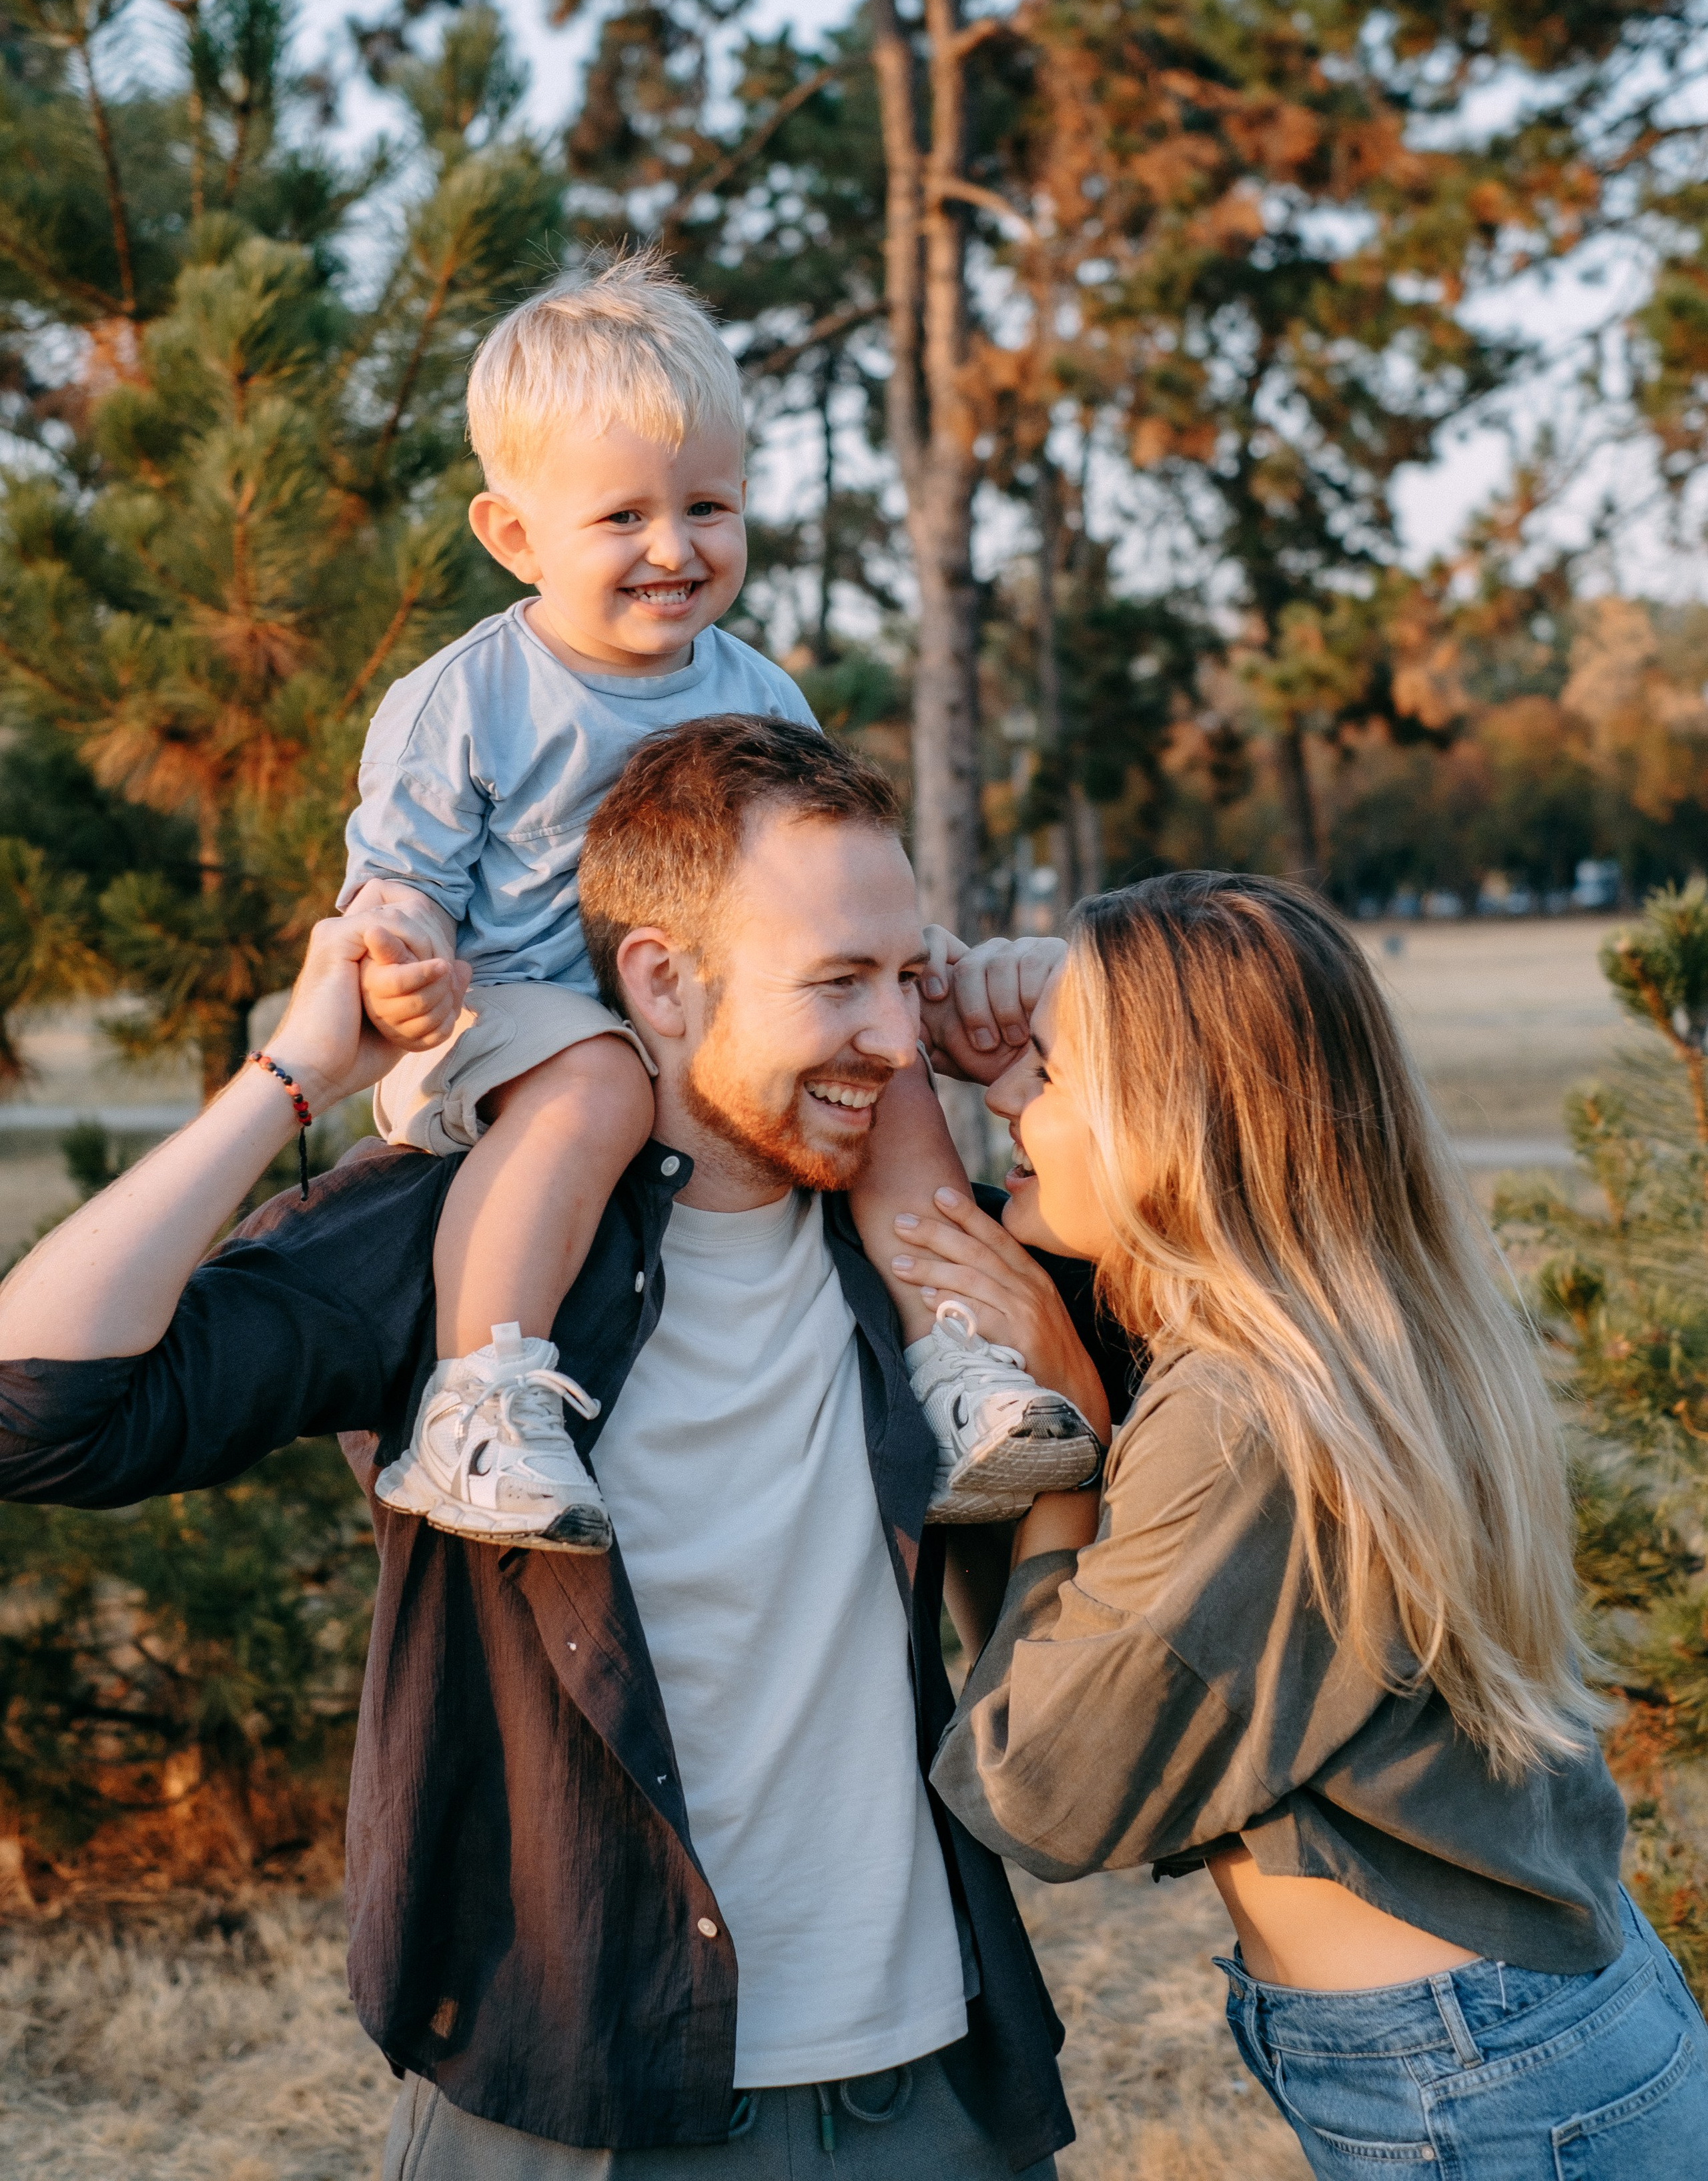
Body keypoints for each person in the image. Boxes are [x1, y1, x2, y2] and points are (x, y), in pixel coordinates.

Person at [0, 719, 1097, 2177]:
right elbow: (39, 1414)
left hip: (932, 2085)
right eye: (836, 983)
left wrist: (1044, 1073)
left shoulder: (927, 1256)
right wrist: (289, 1079)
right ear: (660, 978)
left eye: (904, 977)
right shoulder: (463, 1246)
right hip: (574, 2098)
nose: (896, 1042)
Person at [897, 870, 1708, 2178]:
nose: (1010, 1108)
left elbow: (1042, 1784)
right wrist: (1056, 1023)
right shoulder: (1347, 1326)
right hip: (1532, 2039)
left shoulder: (1238, 1420)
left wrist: (1050, 1452)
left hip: (1480, 2095)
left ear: (1168, 1123)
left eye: (1046, 1077)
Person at [341, 250, 1098, 1550]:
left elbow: (813, 878)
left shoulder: (753, 688)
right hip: (512, 1026)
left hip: (705, 1028)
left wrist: (897, 960)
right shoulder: (465, 698)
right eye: (622, 517)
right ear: (514, 535)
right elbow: (397, 881)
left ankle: (959, 1361)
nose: (673, 549)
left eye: (707, 507)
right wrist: (403, 946)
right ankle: (481, 1398)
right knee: (592, 1077)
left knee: (893, 1067)